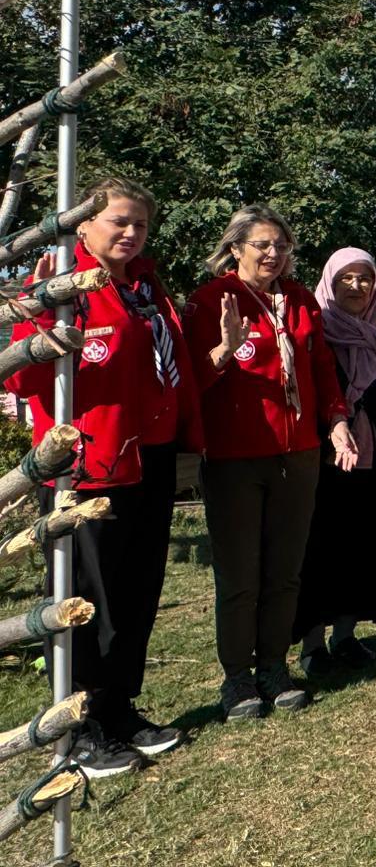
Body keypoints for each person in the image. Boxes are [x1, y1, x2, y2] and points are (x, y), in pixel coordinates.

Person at [6, 179, 201, 774]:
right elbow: (20, 376)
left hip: (148, 458)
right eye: (118, 221)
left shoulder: (144, 286)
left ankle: (119, 708)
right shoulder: (64, 285)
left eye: (139, 224)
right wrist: (43, 322)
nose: (129, 233)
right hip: (88, 467)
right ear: (84, 224)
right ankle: (81, 723)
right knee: (87, 598)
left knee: (136, 594)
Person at [184, 204, 358, 720]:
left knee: (285, 570)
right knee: (241, 574)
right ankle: (238, 678)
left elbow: (322, 369)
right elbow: (191, 382)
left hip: (297, 455)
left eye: (281, 245)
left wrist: (338, 420)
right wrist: (224, 350)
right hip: (236, 458)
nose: (273, 254)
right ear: (235, 248)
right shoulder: (211, 300)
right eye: (261, 244)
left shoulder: (300, 300)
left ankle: (274, 668)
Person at [293, 248, 376, 675]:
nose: (357, 287)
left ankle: (345, 637)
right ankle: (312, 645)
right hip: (326, 458)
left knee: (364, 548)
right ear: (330, 281)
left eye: (365, 278)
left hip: (373, 458)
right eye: (346, 278)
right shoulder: (313, 329)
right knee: (320, 549)